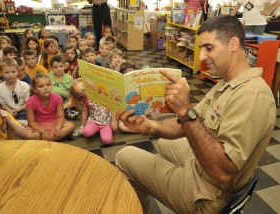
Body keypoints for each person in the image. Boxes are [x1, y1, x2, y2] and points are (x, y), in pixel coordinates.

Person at [115, 15, 276, 213]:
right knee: (165, 141)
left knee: (124, 155)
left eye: (209, 48)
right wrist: (149, 126)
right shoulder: (229, 81)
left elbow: (222, 173)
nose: (201, 57)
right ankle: (171, 176)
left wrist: (183, 109)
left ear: (233, 44)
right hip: (202, 166)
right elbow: (191, 120)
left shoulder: (252, 96)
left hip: (207, 195)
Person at [26, 73, 75, 141]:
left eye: (48, 85)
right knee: (27, 135)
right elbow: (31, 122)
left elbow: (61, 117)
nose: (46, 88)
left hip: (55, 122)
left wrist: (58, 128)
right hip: (38, 125)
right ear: (35, 90)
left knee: (71, 126)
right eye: (41, 86)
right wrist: (42, 132)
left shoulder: (57, 98)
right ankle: (56, 137)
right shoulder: (30, 101)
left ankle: (48, 139)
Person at [0, 58, 30, 127]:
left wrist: (18, 109)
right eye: (6, 72)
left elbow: (27, 102)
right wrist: (10, 111)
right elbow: (2, 104)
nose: (10, 75)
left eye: (13, 72)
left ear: (17, 71)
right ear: (1, 73)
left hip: (23, 111)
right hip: (8, 112)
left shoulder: (24, 85)